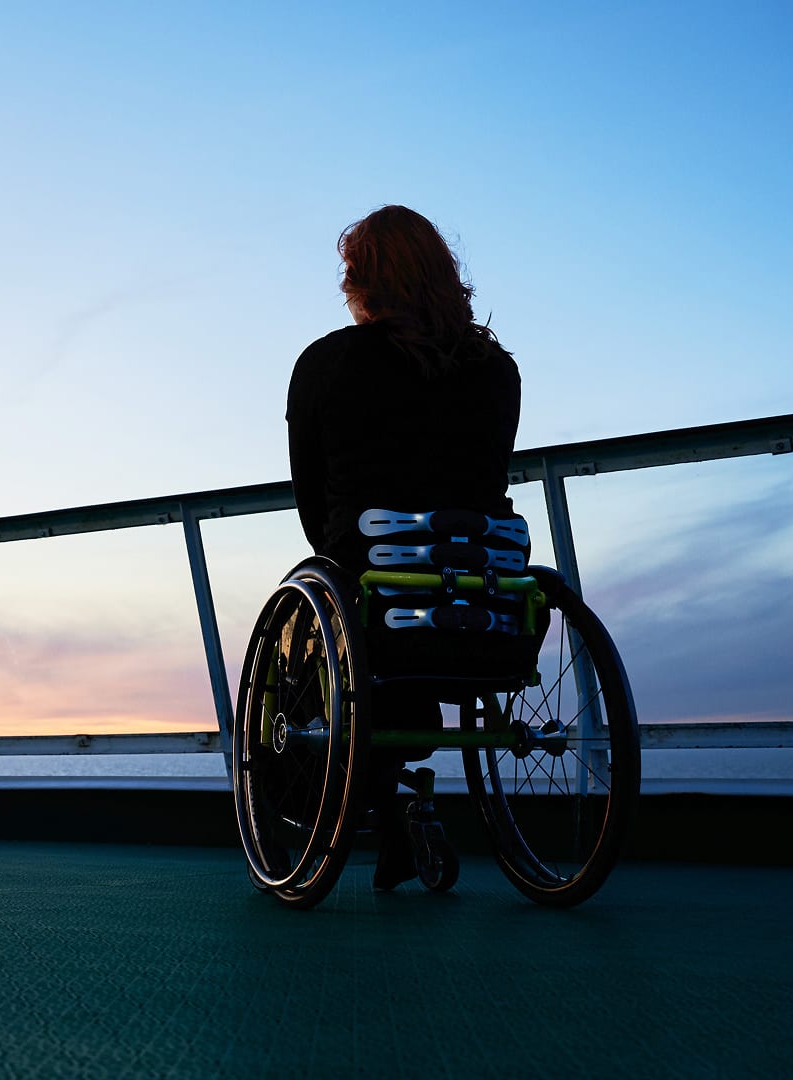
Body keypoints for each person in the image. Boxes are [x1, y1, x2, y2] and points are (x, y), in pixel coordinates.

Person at [285, 205, 521, 889]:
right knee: (391, 609)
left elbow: (313, 497)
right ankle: (399, 809)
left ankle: (373, 809)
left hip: (371, 572)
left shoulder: (328, 363)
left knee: (338, 607)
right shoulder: (497, 370)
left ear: (361, 283)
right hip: (478, 586)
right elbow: (489, 478)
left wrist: (337, 552)